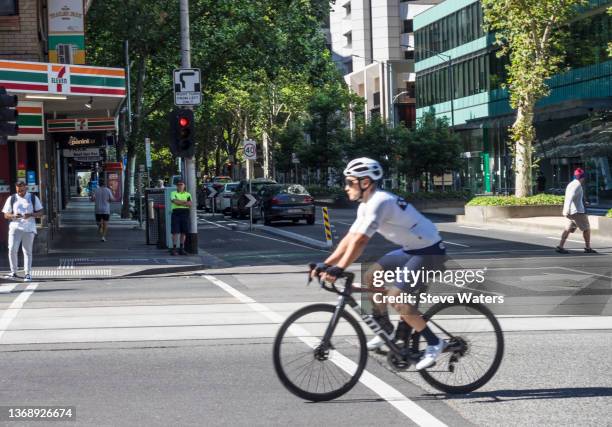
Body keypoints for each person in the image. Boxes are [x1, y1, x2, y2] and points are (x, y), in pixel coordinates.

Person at [311, 158, 448, 370]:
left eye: (349, 182)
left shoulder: (380, 202)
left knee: (396, 297)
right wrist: (325, 264)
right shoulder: (365, 206)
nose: (345, 187)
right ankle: (386, 330)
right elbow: (350, 237)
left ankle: (434, 342)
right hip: (410, 250)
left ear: (365, 182)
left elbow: (361, 241)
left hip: (429, 252)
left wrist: (339, 268)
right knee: (371, 276)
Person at [2, 181, 44, 282]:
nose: (20, 192)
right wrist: (13, 216)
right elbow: (5, 215)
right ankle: (14, 272)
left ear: (26, 188)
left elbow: (41, 212)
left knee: (27, 251)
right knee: (12, 249)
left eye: (21, 190)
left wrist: (30, 215)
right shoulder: (12, 198)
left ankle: (27, 273)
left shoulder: (33, 198)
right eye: (18, 190)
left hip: (28, 228)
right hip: (15, 227)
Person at [556, 168, 596, 254]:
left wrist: (583, 202)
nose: (584, 179)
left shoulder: (571, 184)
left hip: (572, 212)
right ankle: (588, 248)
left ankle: (560, 246)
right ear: (582, 177)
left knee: (567, 229)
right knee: (586, 229)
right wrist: (566, 209)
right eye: (584, 177)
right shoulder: (577, 185)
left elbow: (573, 197)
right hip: (577, 212)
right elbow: (570, 197)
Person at [170, 180, 192, 255]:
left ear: (184, 186)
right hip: (176, 213)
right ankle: (174, 249)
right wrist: (184, 202)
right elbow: (174, 201)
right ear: (176, 186)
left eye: (181, 184)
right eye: (178, 185)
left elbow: (190, 204)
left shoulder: (188, 194)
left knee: (183, 232)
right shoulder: (173, 193)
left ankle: (181, 249)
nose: (180, 186)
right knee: (175, 232)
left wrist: (180, 202)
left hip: (185, 213)